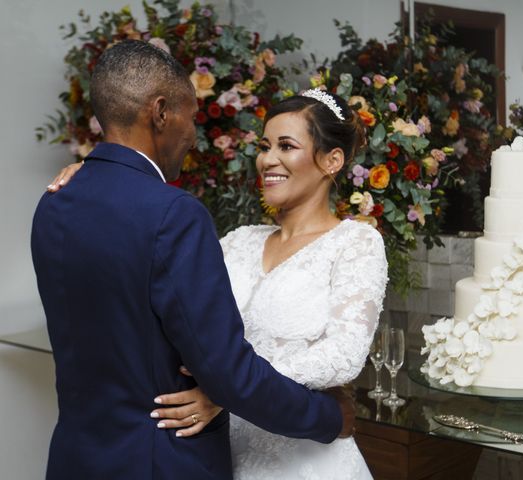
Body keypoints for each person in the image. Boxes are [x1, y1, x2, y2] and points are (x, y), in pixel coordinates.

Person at [32, 39, 356, 480]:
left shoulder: (54, 202)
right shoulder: (174, 214)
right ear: (160, 112)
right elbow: (228, 375)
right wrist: (331, 417)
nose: (193, 133)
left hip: (75, 459)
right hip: (160, 462)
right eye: (191, 116)